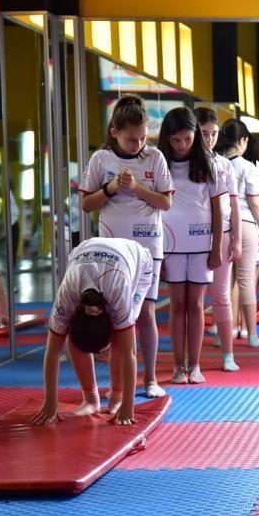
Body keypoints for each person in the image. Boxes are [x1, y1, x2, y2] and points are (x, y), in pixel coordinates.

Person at [80, 95, 173, 398]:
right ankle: (119, 384)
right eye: (132, 139)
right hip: (112, 249)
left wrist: (136, 188)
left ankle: (149, 378)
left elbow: (166, 202)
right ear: (115, 133)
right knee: (116, 315)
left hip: (147, 245)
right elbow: (85, 204)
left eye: (144, 137)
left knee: (145, 312)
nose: (138, 145)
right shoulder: (100, 160)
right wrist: (110, 188)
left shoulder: (155, 157)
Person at [31, 238, 155, 426]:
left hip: (139, 262)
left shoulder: (118, 292)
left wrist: (128, 406)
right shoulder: (67, 297)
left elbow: (129, 352)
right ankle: (90, 398)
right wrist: (50, 402)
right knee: (73, 338)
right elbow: (53, 350)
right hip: (86, 254)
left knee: (122, 338)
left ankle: (117, 397)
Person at [158, 107, 225, 384]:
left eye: (187, 139)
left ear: (195, 136)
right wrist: (157, 253)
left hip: (201, 243)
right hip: (170, 243)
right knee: (177, 304)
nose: (182, 145)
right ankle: (177, 366)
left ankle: (194, 365)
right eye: (176, 140)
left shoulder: (209, 163)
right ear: (167, 138)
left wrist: (217, 246)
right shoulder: (159, 163)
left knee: (196, 304)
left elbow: (217, 208)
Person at [196, 107, 243, 371]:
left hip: (222, 234)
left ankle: (228, 354)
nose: (210, 139)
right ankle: (193, 359)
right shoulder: (180, 164)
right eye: (205, 133)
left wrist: (236, 239)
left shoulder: (224, 165)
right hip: (191, 237)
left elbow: (234, 205)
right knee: (194, 300)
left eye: (214, 134)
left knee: (222, 296)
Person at [218, 119, 259, 348]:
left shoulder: (215, 164)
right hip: (246, 223)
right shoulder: (248, 166)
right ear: (242, 141)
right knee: (246, 280)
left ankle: (224, 335)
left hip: (221, 226)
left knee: (224, 283)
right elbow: (257, 203)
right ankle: (251, 335)